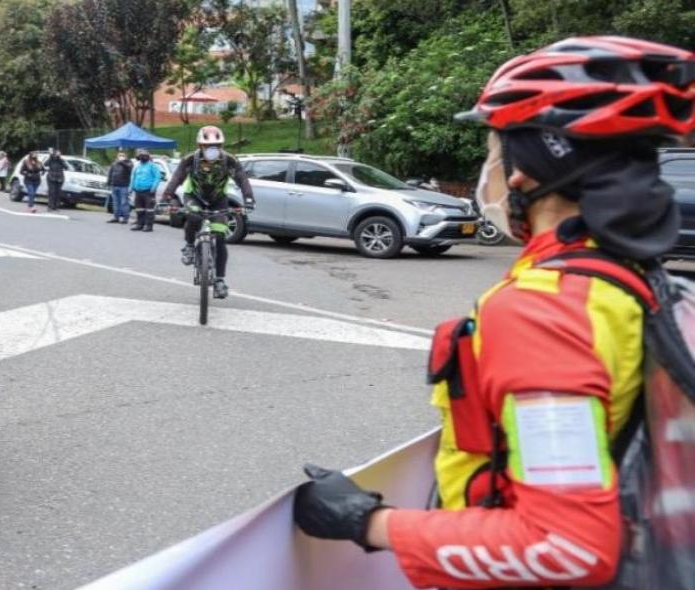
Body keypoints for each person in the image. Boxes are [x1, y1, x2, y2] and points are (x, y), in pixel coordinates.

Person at [292, 36, 692, 588]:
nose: (490, 169)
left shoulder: (544, 310)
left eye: (495, 149)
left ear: (526, 169)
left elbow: (565, 548)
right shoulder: (634, 279)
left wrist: (366, 522)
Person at [161, 125, 255, 299]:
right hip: (194, 196)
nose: (213, 149)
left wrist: (249, 199)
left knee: (220, 238)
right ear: (200, 146)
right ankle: (189, 246)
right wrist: (167, 196)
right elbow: (177, 178)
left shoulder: (229, 160)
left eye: (217, 145)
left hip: (218, 199)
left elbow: (242, 179)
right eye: (208, 146)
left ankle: (219, 280)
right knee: (193, 216)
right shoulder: (190, 160)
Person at [130, 149, 161, 232]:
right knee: (139, 209)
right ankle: (139, 224)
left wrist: (154, 187)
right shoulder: (137, 166)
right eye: (141, 156)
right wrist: (131, 187)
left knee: (149, 209)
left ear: (148, 156)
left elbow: (157, 177)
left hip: (148, 191)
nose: (142, 157)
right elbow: (133, 177)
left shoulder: (153, 166)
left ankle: (148, 225)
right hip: (138, 191)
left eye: (144, 155)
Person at [106, 150, 133, 224]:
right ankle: (116, 217)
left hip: (124, 186)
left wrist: (122, 162)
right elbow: (110, 173)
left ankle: (125, 218)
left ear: (126, 156)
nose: (121, 157)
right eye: (119, 155)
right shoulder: (114, 163)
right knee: (115, 202)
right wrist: (108, 182)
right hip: (114, 185)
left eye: (123, 155)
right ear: (117, 156)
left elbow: (129, 169)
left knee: (124, 202)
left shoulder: (129, 163)